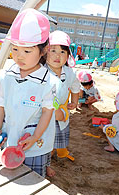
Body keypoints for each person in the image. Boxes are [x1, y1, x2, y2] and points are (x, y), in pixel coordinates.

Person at [0, 9, 58, 177]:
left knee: (32, 177)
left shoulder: (49, 82)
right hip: (10, 138)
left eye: (27, 51)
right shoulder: (6, 74)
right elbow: (0, 103)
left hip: (36, 145)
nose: (19, 56)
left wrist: (35, 137)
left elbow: (47, 112)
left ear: (43, 50)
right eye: (15, 49)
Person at [45, 30, 80, 176]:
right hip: (45, 114)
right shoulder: (41, 71)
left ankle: (55, 153)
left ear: (68, 55)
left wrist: (74, 101)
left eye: (62, 52)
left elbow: (75, 86)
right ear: (45, 52)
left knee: (58, 136)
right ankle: (46, 163)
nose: (57, 56)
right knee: (45, 139)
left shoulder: (69, 72)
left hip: (61, 113)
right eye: (53, 50)